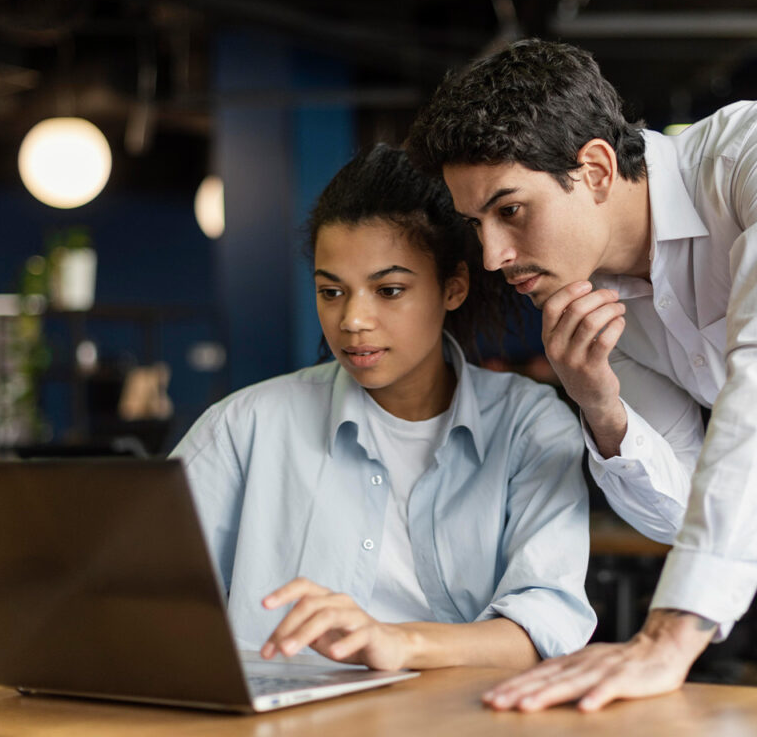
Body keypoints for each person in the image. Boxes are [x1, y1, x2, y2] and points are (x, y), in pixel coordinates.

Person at [406, 38, 757, 726]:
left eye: (510, 211)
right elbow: (682, 509)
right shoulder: (589, 300)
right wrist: (599, 404)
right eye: (475, 223)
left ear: (597, 170)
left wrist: (668, 637)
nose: (491, 256)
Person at [171, 143, 595, 672]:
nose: (353, 320)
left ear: (454, 287)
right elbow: (142, 590)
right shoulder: (245, 425)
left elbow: (548, 623)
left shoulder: (528, 426)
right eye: (331, 292)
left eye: (388, 290)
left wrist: (399, 643)